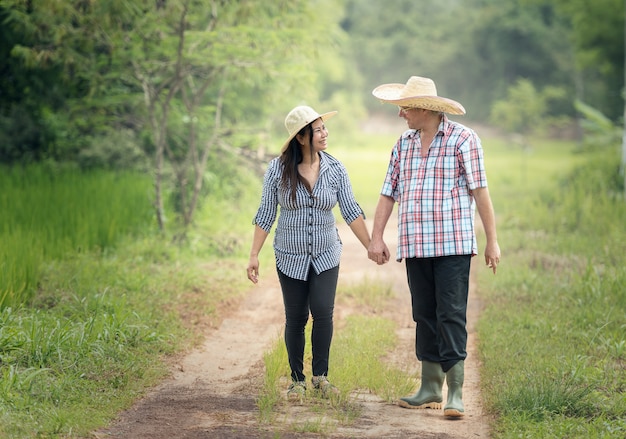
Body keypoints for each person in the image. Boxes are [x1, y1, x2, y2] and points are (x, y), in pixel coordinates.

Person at [367, 76, 501, 418]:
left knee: (451, 313)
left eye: (404, 108)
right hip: (416, 244)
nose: (400, 115)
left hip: (453, 244)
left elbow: (480, 192)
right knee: (424, 314)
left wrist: (492, 241)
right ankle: (429, 388)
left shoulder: (463, 140)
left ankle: (455, 391)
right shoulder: (403, 145)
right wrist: (376, 236)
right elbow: (388, 192)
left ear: (424, 108)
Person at [247, 105, 371, 400]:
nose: (324, 133)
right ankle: (296, 380)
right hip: (290, 255)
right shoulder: (277, 171)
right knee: (296, 317)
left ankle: (321, 377)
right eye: (318, 130)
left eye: (323, 128)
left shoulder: (335, 168)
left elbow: (351, 210)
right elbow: (265, 214)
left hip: (327, 253)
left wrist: (371, 245)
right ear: (301, 138)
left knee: (324, 313)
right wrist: (253, 255)